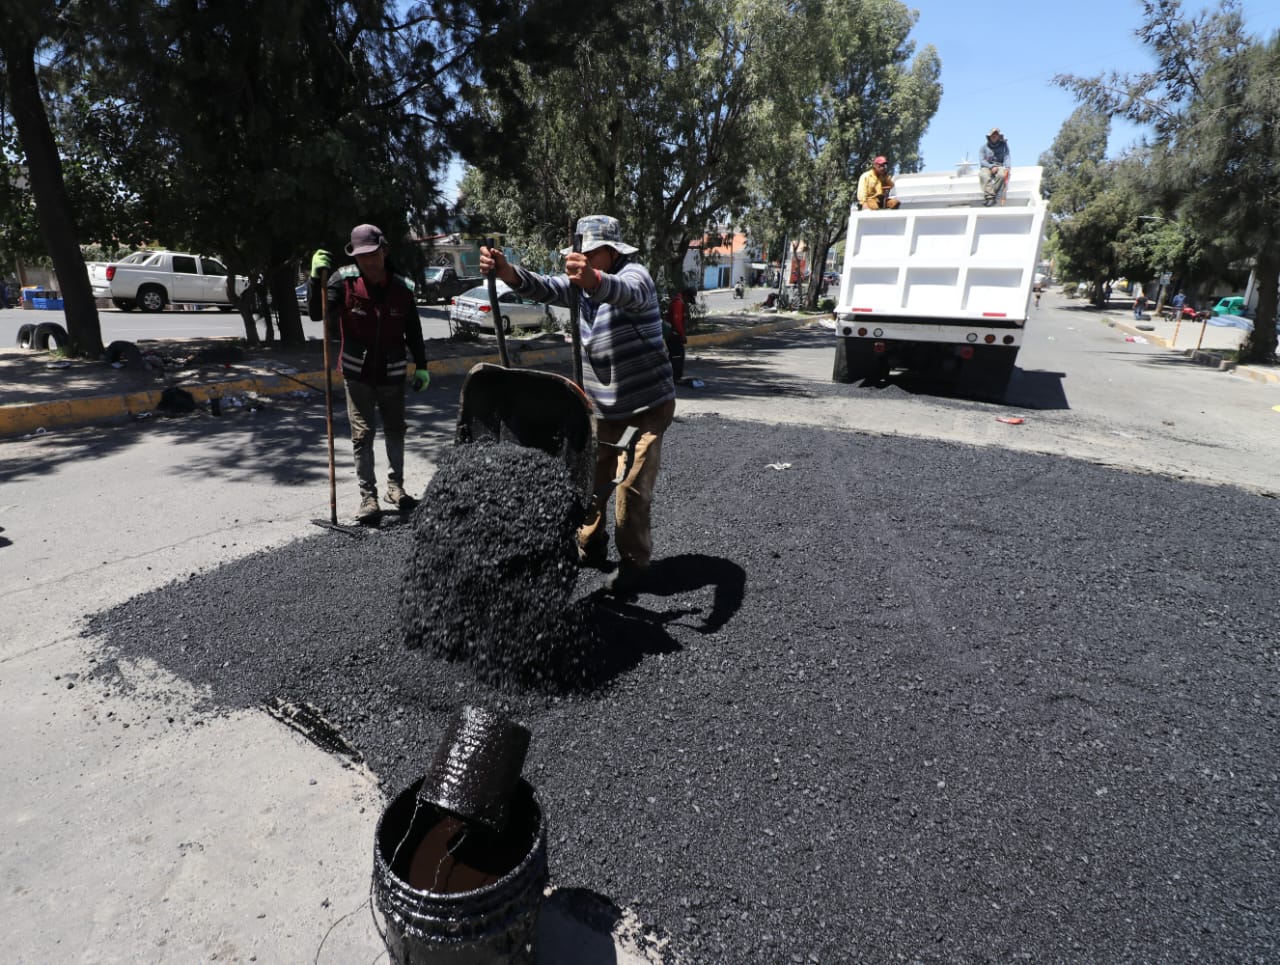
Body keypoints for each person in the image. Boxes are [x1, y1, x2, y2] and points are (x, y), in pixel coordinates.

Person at [479, 215, 676, 597]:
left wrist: (594, 281)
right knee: (591, 478)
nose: (582, 258)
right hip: (604, 406)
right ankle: (590, 545)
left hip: (648, 404)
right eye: (579, 252)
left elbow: (624, 292)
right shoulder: (578, 288)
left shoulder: (636, 276)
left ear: (611, 251)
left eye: (590, 252)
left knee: (630, 486)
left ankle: (634, 563)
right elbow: (544, 287)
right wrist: (506, 272)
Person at [309, 224, 430, 523]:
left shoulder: (402, 288)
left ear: (384, 250)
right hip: (357, 373)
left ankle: (395, 488)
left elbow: (413, 330)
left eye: (373, 255)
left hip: (392, 372)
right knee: (362, 435)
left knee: (395, 430)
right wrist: (315, 280)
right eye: (362, 257)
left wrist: (423, 365)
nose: (368, 262)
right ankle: (368, 497)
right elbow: (317, 313)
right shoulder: (342, 280)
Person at [979, 128, 1011, 206]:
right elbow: (982, 160)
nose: (994, 136)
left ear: (998, 136)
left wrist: (1007, 167)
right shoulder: (983, 147)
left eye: (996, 135)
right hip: (987, 166)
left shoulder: (1004, 145)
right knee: (984, 175)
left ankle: (991, 195)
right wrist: (991, 166)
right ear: (989, 136)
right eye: (993, 135)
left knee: (1002, 175)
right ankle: (990, 197)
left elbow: (1007, 156)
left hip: (999, 165)